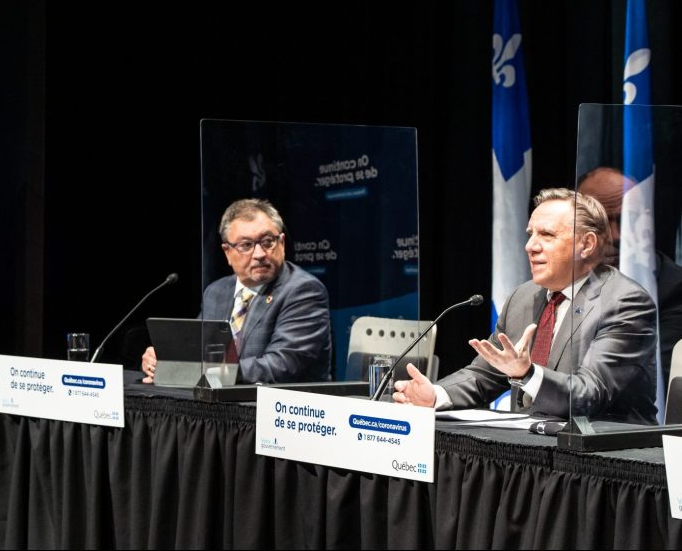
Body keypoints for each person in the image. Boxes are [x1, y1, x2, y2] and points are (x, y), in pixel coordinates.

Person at [394, 188, 658, 424]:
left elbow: (589, 394)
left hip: (606, 458)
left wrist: (528, 374)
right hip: (529, 451)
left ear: (586, 244)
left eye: (546, 235)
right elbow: (486, 375)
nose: (530, 246)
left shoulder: (624, 302)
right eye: (531, 234)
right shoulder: (524, 296)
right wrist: (435, 395)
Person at [141, 198, 332, 384]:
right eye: (246, 245)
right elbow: (195, 352)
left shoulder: (303, 291)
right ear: (227, 252)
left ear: (281, 243)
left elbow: (280, 366)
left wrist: (204, 371)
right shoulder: (216, 292)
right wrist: (166, 360)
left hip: (287, 410)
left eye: (267, 242)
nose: (259, 254)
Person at [577, 166, 682, 397]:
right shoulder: (561, 279)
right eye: (601, 223)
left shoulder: (672, 289)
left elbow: (639, 381)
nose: (615, 235)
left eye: (628, 219)